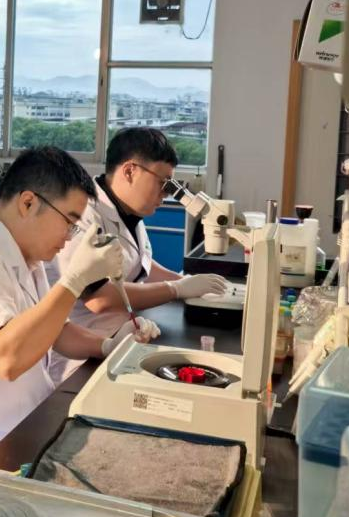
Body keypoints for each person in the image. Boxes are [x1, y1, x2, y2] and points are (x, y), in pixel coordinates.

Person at [0, 146, 157, 487]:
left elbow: (55, 330)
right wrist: (73, 282)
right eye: (69, 222)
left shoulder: (26, 257)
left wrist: (108, 345)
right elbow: (6, 358)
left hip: (16, 429)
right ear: (27, 203)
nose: (68, 238)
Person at [48, 127, 227, 381]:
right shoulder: (86, 216)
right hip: (84, 357)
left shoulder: (129, 212)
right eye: (163, 183)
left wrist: (186, 282)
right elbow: (99, 298)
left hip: (123, 339)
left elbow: (141, 265)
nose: (166, 194)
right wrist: (176, 289)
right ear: (130, 171)